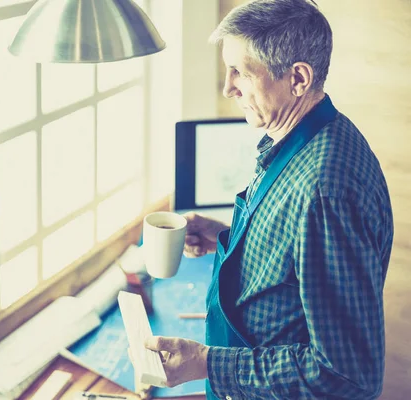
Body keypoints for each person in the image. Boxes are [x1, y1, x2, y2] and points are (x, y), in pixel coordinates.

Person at [137, 0, 394, 399]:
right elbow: (298, 258)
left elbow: (347, 374)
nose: (228, 87)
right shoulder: (302, 138)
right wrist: (227, 239)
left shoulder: (325, 190)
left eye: (240, 70)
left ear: (298, 79)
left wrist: (206, 362)